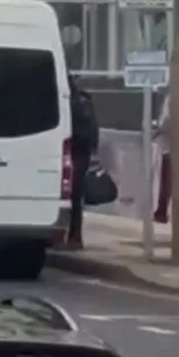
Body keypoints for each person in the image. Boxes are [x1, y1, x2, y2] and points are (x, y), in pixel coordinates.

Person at [66, 76, 99, 249]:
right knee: (75, 196)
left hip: (75, 152)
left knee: (74, 195)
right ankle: (74, 235)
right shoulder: (85, 101)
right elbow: (94, 129)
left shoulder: (73, 103)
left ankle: (74, 235)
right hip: (81, 153)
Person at [153, 96, 171, 223]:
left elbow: (165, 122)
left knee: (166, 183)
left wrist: (158, 129)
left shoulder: (171, 99)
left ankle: (162, 211)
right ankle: (162, 211)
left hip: (170, 149)